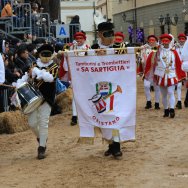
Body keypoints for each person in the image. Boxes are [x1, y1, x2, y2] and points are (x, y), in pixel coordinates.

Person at [13, 44, 58, 159]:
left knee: (44, 122)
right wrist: (19, 84)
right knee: (32, 123)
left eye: (49, 54)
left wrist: (36, 71)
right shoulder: (33, 65)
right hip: (33, 97)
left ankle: (41, 147)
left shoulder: (54, 66)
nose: (46, 57)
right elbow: (27, 77)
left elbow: (50, 78)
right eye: (44, 54)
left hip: (47, 98)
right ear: (39, 54)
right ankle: (41, 137)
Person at [91, 22, 123, 158]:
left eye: (111, 33)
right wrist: (95, 55)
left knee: (115, 116)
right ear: (99, 34)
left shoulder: (120, 47)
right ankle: (111, 144)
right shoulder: (93, 48)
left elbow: (125, 61)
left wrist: (110, 53)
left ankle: (117, 146)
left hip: (116, 85)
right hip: (100, 86)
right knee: (103, 115)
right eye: (106, 34)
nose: (110, 37)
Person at [144, 33, 186, 118]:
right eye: (163, 41)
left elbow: (178, 63)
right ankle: (166, 109)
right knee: (164, 95)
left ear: (170, 41)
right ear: (161, 42)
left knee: (171, 92)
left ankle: (172, 109)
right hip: (161, 75)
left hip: (171, 75)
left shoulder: (174, 51)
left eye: (167, 41)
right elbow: (150, 58)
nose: (165, 42)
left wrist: (181, 75)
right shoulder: (157, 49)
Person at [69, 31, 90, 125]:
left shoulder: (88, 48)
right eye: (77, 39)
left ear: (84, 39)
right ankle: (74, 116)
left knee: (87, 95)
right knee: (75, 95)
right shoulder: (71, 47)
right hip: (75, 74)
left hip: (86, 75)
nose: (79, 40)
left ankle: (87, 115)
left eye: (81, 39)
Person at [138, 35, 160, 109]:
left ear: (156, 41)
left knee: (157, 87)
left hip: (156, 71)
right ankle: (148, 102)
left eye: (153, 40)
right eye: (150, 40)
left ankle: (157, 103)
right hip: (147, 71)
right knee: (146, 86)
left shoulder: (158, 48)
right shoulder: (144, 48)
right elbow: (141, 59)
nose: (151, 41)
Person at [175, 33, 187, 109]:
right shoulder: (175, 47)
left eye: (183, 39)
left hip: (186, 68)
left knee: (187, 86)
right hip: (178, 68)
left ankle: (186, 99)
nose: (181, 40)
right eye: (180, 39)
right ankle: (179, 101)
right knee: (178, 86)